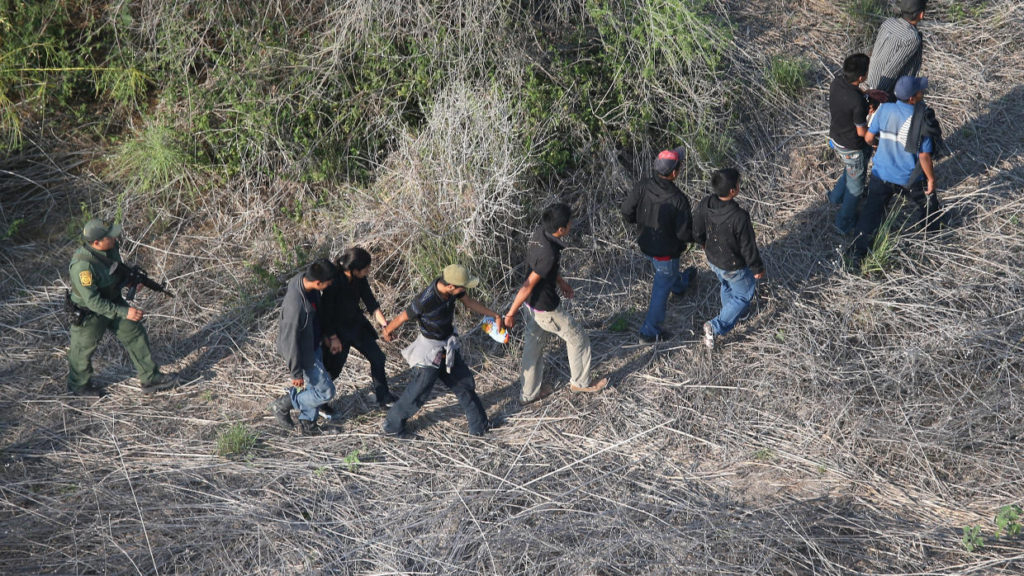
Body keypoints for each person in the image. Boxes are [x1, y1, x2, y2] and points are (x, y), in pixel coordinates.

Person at [381, 264, 503, 436]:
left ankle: (480, 427)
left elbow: (469, 303)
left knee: (464, 384)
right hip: (430, 352)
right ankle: (392, 427)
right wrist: (387, 331)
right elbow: (403, 316)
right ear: (451, 286)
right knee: (418, 392)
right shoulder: (425, 300)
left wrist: (495, 315)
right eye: (463, 287)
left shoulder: (453, 291)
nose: (464, 290)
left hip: (447, 346)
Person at [504, 203, 608, 404]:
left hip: (532, 307)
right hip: (546, 309)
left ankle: (528, 394)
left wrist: (561, 282)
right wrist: (510, 314)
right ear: (561, 229)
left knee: (532, 348)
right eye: (570, 223)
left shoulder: (540, 233)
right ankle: (580, 383)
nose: (571, 225)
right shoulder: (549, 254)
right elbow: (527, 286)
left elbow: (544, 271)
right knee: (578, 338)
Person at [66, 219, 179, 396]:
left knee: (135, 332)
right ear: (96, 243)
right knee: (82, 348)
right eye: (109, 236)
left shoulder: (111, 248)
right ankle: (78, 385)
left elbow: (114, 271)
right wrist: (125, 311)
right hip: (91, 313)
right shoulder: (83, 266)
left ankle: (150, 378)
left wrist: (128, 281)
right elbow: (93, 302)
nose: (114, 238)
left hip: (112, 300)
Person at [849, 75, 940, 262]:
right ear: (912, 98)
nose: (923, 93)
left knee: (871, 214)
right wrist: (931, 180)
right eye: (920, 91)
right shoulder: (922, 118)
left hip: (881, 174)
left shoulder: (885, 109)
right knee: (928, 206)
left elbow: (868, 138)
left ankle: (857, 253)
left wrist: (881, 145)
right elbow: (924, 156)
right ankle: (932, 236)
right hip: (910, 178)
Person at [620, 147, 696, 343]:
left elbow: (627, 211)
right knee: (662, 286)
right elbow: (683, 233)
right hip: (666, 253)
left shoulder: (643, 185)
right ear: (674, 173)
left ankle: (679, 287)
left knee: (668, 273)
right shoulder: (679, 200)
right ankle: (649, 331)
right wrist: (694, 238)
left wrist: (642, 223)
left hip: (646, 244)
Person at [692, 169, 766, 350]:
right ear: (733, 191)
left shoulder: (706, 203)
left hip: (713, 259)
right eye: (738, 183)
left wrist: (703, 244)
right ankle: (715, 326)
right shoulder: (739, 217)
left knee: (726, 285)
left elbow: (696, 229)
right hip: (734, 265)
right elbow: (748, 247)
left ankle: (733, 314)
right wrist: (757, 268)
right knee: (743, 294)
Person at [320, 247, 397, 409]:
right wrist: (332, 337)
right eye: (366, 268)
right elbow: (325, 314)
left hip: (357, 327)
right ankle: (319, 401)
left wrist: (385, 325)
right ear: (354, 270)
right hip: (338, 333)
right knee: (333, 370)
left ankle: (383, 396)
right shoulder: (333, 282)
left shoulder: (360, 279)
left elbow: (371, 302)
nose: (368, 271)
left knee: (378, 358)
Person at [270, 259, 337, 435]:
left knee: (314, 387)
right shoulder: (295, 306)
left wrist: (325, 336)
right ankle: (284, 404)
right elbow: (290, 341)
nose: (330, 285)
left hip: (314, 344)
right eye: (328, 283)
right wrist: (296, 373)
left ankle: (308, 424)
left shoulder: (303, 281)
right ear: (318, 283)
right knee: (325, 392)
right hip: (303, 354)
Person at [827, 53, 873, 235]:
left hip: (836, 139)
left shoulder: (836, 82)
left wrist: (865, 95)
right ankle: (843, 224)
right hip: (852, 146)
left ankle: (835, 197)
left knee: (852, 170)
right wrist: (874, 139)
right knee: (856, 186)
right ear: (861, 77)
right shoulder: (857, 102)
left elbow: (850, 97)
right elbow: (862, 133)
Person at [866, 0, 926, 95]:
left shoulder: (888, 23)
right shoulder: (911, 38)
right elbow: (892, 70)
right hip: (883, 90)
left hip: (869, 81)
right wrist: (878, 95)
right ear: (921, 14)